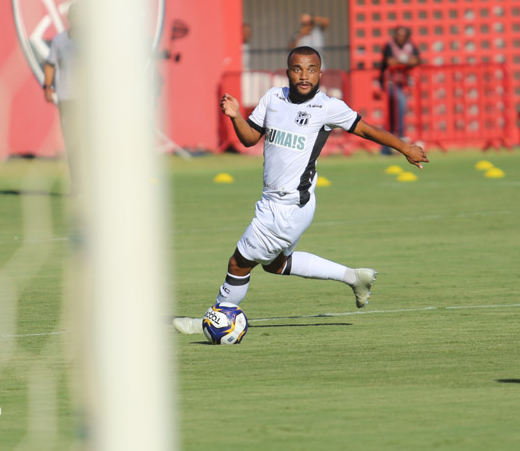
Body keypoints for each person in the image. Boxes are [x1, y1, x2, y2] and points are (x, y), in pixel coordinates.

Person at [173, 46, 428, 335]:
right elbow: (249, 139)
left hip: (289, 205)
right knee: (275, 265)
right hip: (277, 201)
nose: (304, 76)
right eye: (297, 69)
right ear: (287, 72)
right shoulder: (273, 98)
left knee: (239, 261)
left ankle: (213, 319)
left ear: (320, 73)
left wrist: (405, 148)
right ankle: (354, 277)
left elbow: (367, 130)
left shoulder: (328, 107)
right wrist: (235, 116)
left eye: (311, 69)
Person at [43, 4, 78, 192]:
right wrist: (47, 87)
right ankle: (77, 184)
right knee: (73, 143)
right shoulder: (60, 40)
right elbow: (50, 64)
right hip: (68, 99)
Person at [379, 26, 420, 154]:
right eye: (397, 35)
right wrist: (405, 61)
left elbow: (416, 60)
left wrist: (401, 61)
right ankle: (400, 138)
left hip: (403, 84)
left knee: (396, 112)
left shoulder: (410, 46)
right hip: (389, 83)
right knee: (397, 108)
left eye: (402, 35)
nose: (399, 38)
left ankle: (389, 146)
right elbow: (390, 62)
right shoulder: (389, 46)